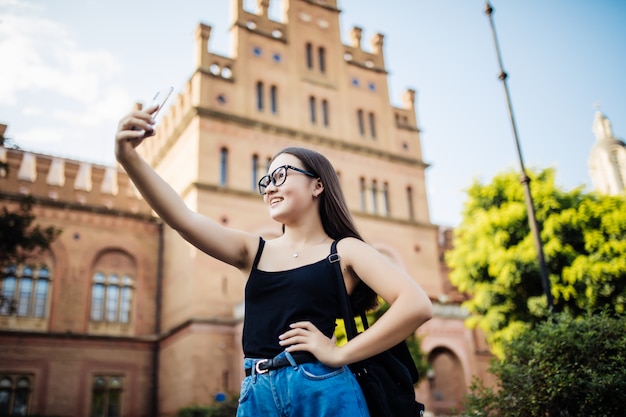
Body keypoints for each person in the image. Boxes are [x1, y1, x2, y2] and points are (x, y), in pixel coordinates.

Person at [115, 103, 433, 417]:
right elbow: (182, 218)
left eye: (280, 175)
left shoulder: (345, 251)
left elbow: (416, 304)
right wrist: (128, 158)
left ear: (317, 184)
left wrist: (340, 353)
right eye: (265, 182)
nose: (270, 188)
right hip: (257, 392)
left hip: (323, 390)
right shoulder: (254, 250)